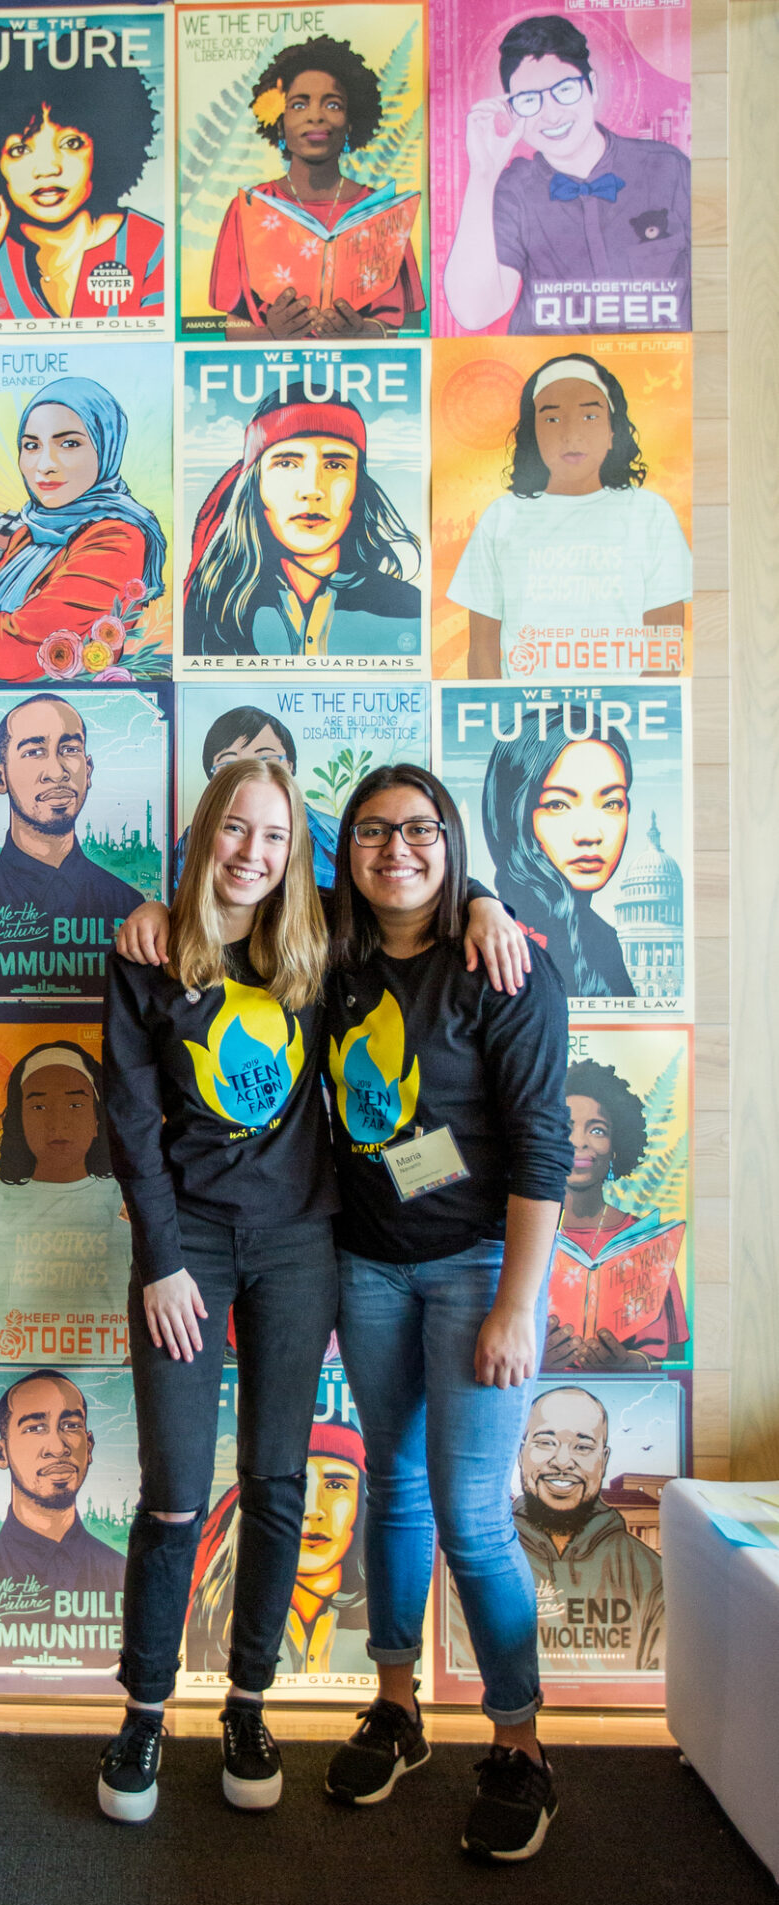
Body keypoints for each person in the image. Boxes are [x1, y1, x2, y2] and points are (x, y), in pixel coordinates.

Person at [319, 763, 572, 1863]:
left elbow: (541, 1148)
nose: (396, 851)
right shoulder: (327, 957)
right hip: (366, 1266)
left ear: (449, 837)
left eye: (418, 831)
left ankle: (519, 1747)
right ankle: (396, 1708)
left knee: (471, 1516)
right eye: (371, 832)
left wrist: (518, 1304)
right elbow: (226, 910)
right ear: (346, 850)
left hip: (475, 1267)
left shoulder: (502, 965)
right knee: (393, 1488)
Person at [99, 757, 341, 1821]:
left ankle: (247, 1701)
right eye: (235, 830)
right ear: (204, 834)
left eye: (275, 836)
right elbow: (127, 1118)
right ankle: (143, 1713)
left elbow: (424, 888)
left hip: (299, 1243)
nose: (252, 852)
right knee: (174, 1490)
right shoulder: (148, 950)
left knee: (277, 1480)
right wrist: (159, 1258)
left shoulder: (320, 943)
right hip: (186, 1242)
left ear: (296, 851)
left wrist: (480, 902)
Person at [443, 14, 691, 335]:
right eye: (529, 100)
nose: (551, 113)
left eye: (565, 89)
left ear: (593, 87)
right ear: (512, 109)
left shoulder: (667, 168)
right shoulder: (512, 189)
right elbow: (474, 313)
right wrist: (483, 173)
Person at [449, 354, 692, 679]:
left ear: (612, 432)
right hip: (528, 719)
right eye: (552, 419)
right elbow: (481, 651)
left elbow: (666, 643)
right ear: (532, 435)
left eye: (590, 416)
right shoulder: (502, 517)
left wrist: (631, 717)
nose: (571, 434)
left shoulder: (650, 514)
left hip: (623, 719)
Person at [208, 34, 425, 340]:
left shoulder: (382, 213)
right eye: (299, 105)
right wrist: (272, 333)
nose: (315, 115)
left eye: (333, 104)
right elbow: (233, 328)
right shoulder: (247, 209)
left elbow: (394, 326)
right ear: (280, 122)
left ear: (351, 121)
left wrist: (359, 332)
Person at [0, 376, 166, 683]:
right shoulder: (29, 534)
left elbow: (18, 653)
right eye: (32, 446)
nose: (45, 465)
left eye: (69, 443)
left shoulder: (117, 537)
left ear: (106, 447)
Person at [0, 694, 143, 999]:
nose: (57, 772)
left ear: (89, 769)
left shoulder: (128, 906)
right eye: (34, 752)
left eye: (70, 749)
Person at [184, 391, 422, 658]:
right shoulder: (209, 609)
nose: (312, 489)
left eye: (335, 464)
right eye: (287, 463)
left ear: (358, 484)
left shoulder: (408, 609)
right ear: (256, 483)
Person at [0, 1041, 131, 1364]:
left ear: (99, 1119)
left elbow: (148, 1326)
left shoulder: (127, 1200)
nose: (58, 1124)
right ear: (20, 1120)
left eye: (75, 1105)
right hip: (15, 1395)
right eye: (39, 1107)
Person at [0, 55, 162, 323]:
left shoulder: (153, 247)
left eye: (71, 144)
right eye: (20, 150)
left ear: (105, 148)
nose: (47, 169)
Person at [0, 1370, 126, 1648]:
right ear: (0, 1452)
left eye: (71, 1425)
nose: (58, 1447)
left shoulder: (125, 1577)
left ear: (90, 1445)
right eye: (35, 1428)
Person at [186, 1418, 368, 1679]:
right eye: (298, 1481)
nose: (313, 1509)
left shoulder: (383, 1627)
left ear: (360, 1501)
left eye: (336, 1485)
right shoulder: (214, 1622)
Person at [542, 1058, 688, 1373]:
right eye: (566, 1127)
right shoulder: (519, 1233)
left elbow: (669, 1358)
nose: (579, 1141)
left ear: (616, 1146)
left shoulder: (646, 1243)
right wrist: (535, 1360)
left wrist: (625, 1364)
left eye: (597, 1129)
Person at [482, 706, 635, 999]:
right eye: (558, 804)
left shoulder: (600, 941)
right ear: (515, 814)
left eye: (611, 804)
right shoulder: (497, 934)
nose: (590, 835)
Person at [510, 1386, 664, 1671]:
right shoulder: (479, 1566)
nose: (563, 1462)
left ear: (603, 1461)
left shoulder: (653, 1577)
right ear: (521, 1454)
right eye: (545, 1442)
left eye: (583, 1447)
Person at [171, 707, 339, 890]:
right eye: (229, 765)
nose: (251, 775)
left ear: (290, 766)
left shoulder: (337, 840)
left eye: (266, 759)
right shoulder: (190, 844)